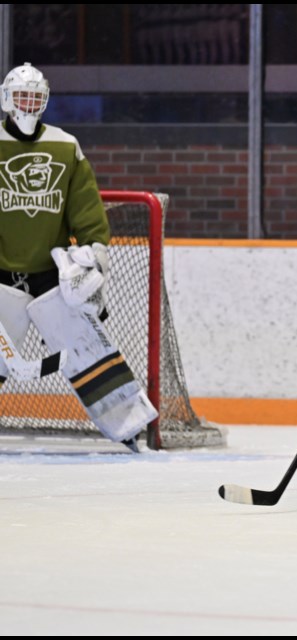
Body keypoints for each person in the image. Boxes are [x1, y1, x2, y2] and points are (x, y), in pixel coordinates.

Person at [0, 62, 157, 452]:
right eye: (21, 96)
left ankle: (129, 426)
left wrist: (94, 252)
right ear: (6, 99)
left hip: (49, 274)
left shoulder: (65, 145)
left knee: (87, 347)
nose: (27, 105)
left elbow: (85, 208)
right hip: (1, 271)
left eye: (34, 97)